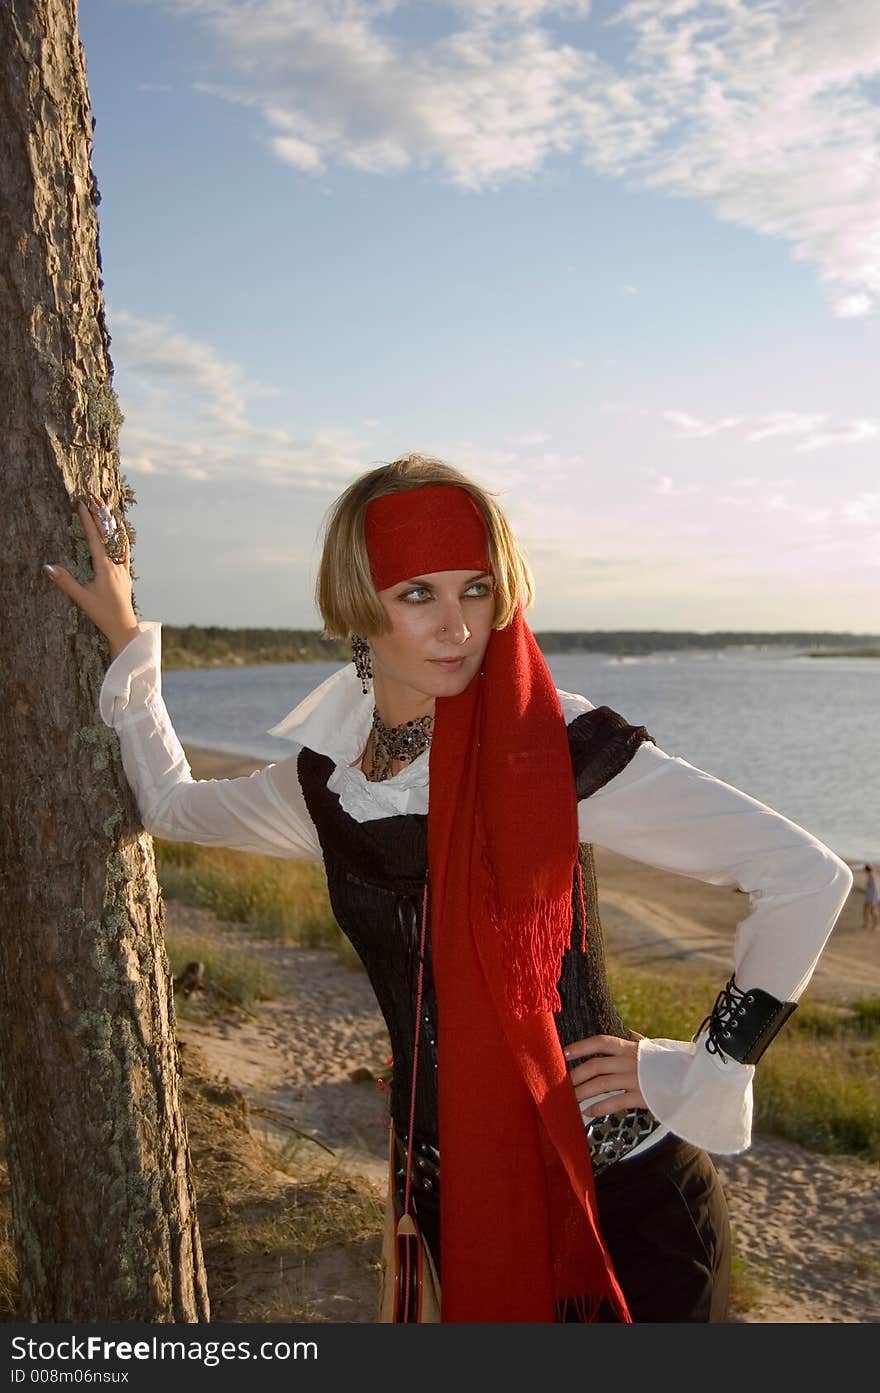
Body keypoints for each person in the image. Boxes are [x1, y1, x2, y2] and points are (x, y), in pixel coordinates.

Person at [43, 457, 853, 1324]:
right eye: (417, 594)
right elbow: (171, 807)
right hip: (449, 1204)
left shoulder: (553, 745)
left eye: (475, 588)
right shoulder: (329, 783)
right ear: (359, 606)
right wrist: (130, 647)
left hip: (618, 1206)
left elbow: (805, 876)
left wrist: (696, 1064)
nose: (459, 625)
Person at [863, 864, 880, 931]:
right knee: (866, 911)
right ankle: (866, 924)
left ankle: (876, 924)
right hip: (869, 897)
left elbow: (876, 889)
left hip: (873, 898)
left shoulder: (873, 876)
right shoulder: (871, 876)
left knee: (873, 911)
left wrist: (873, 900)